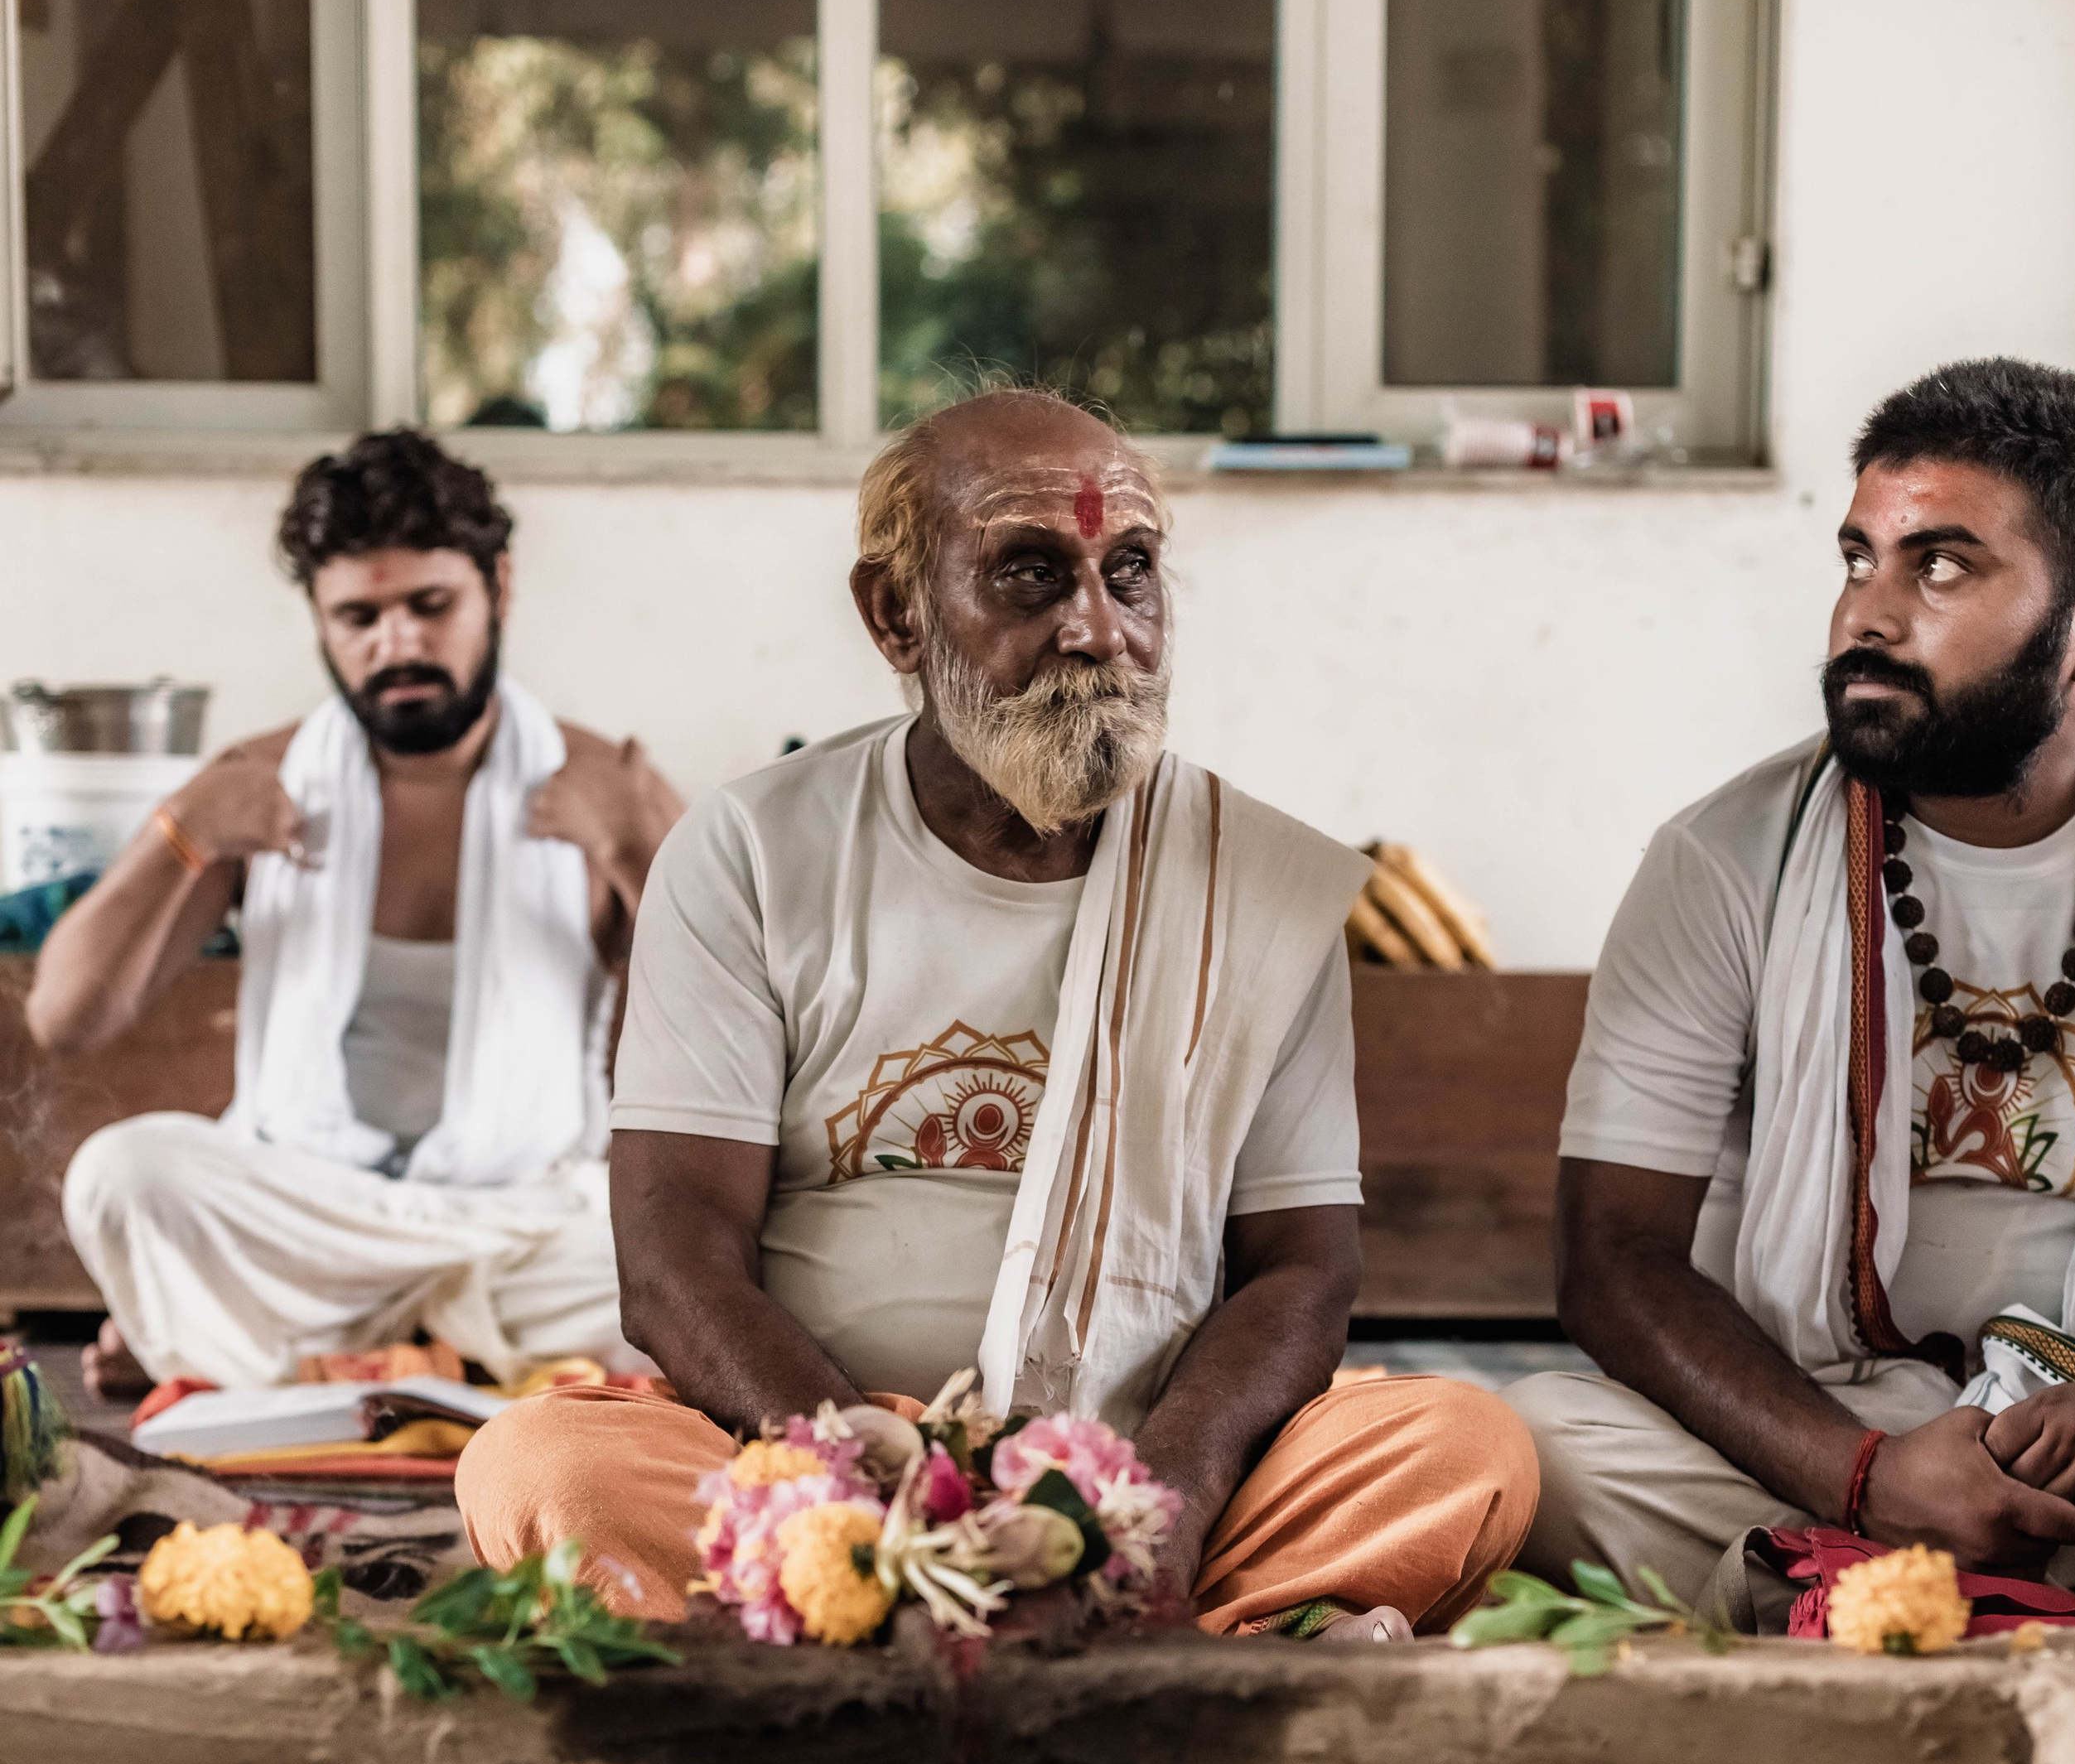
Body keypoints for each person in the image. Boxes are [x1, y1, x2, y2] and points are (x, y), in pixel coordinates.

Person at [458, 387, 1534, 1638]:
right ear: (896, 615)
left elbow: (1301, 1272)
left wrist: (1159, 1508)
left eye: (1129, 572)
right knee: (540, 1469)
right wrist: (860, 1471)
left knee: (1466, 1448)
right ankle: (1140, 1657)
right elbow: (673, 1252)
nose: (1097, 628)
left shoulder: (1258, 887)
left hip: (1140, 1463)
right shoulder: (752, 851)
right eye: (1029, 573)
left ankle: (919, 1637)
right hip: (815, 1458)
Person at [1513, 355, 2075, 1608]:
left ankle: (1843, 1607)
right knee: (1537, 1447)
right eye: (1859, 560)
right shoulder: (1722, 861)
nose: (1865, 618)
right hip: (1827, 1436)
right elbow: (1614, 1256)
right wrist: (1867, 1476)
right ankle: (1936, 1597)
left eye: (1939, 567)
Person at [30, 427, 683, 1398]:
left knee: (697, 1258)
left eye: (431, 606)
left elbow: (747, 1026)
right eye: (359, 617)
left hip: (524, 1224)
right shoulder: (260, 784)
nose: (398, 644)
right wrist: (182, 831)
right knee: (124, 1177)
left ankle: (268, 1358)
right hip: (310, 1212)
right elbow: (65, 1017)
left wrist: (635, 852)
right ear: (319, 620)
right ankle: (451, 1359)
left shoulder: (600, 786)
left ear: (497, 588)